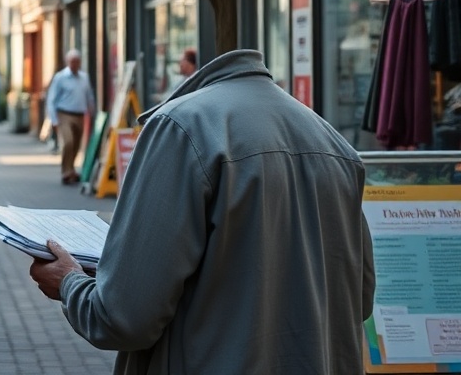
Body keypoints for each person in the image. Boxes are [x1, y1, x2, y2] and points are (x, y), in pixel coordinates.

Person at [29, 49, 375, 374]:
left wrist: (70, 282)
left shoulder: (179, 128)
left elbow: (121, 319)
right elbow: (359, 299)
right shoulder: (333, 142)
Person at [45, 50, 96, 184]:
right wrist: (53, 120)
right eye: (72, 61)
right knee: (68, 142)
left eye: (77, 61)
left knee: (76, 145)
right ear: (68, 62)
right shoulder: (60, 77)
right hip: (64, 114)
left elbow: (89, 96)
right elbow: (51, 99)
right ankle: (65, 172)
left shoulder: (84, 77)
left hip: (80, 115)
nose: (75, 64)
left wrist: (92, 111)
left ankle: (71, 169)